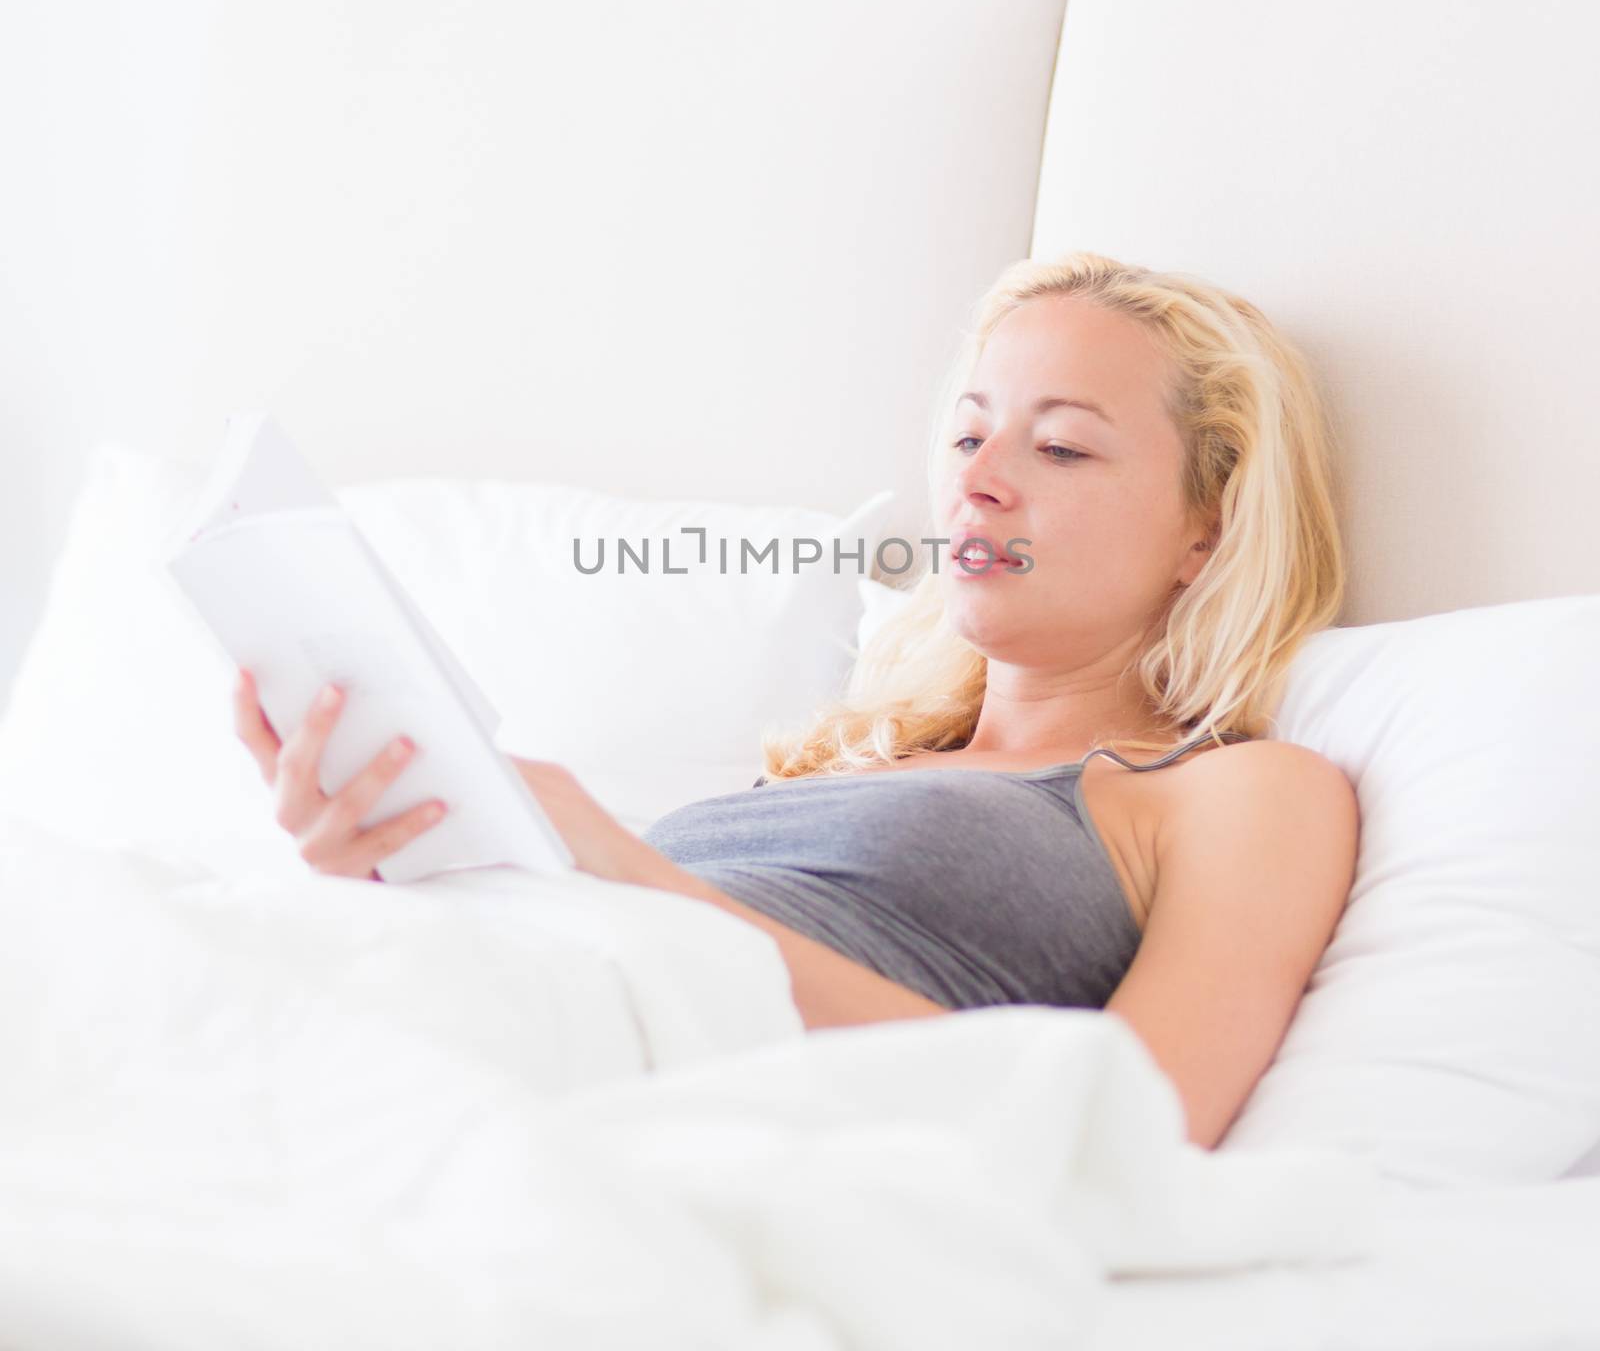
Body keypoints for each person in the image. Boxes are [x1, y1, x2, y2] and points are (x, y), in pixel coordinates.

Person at [232, 250, 1359, 1151]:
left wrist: (632, 874)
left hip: (617, 1085)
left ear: (1205, 530)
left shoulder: (1239, 790)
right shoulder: (843, 756)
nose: (977, 477)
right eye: (968, 432)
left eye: (1060, 445)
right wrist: (400, 857)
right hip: (478, 1000)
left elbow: (1130, 1135)